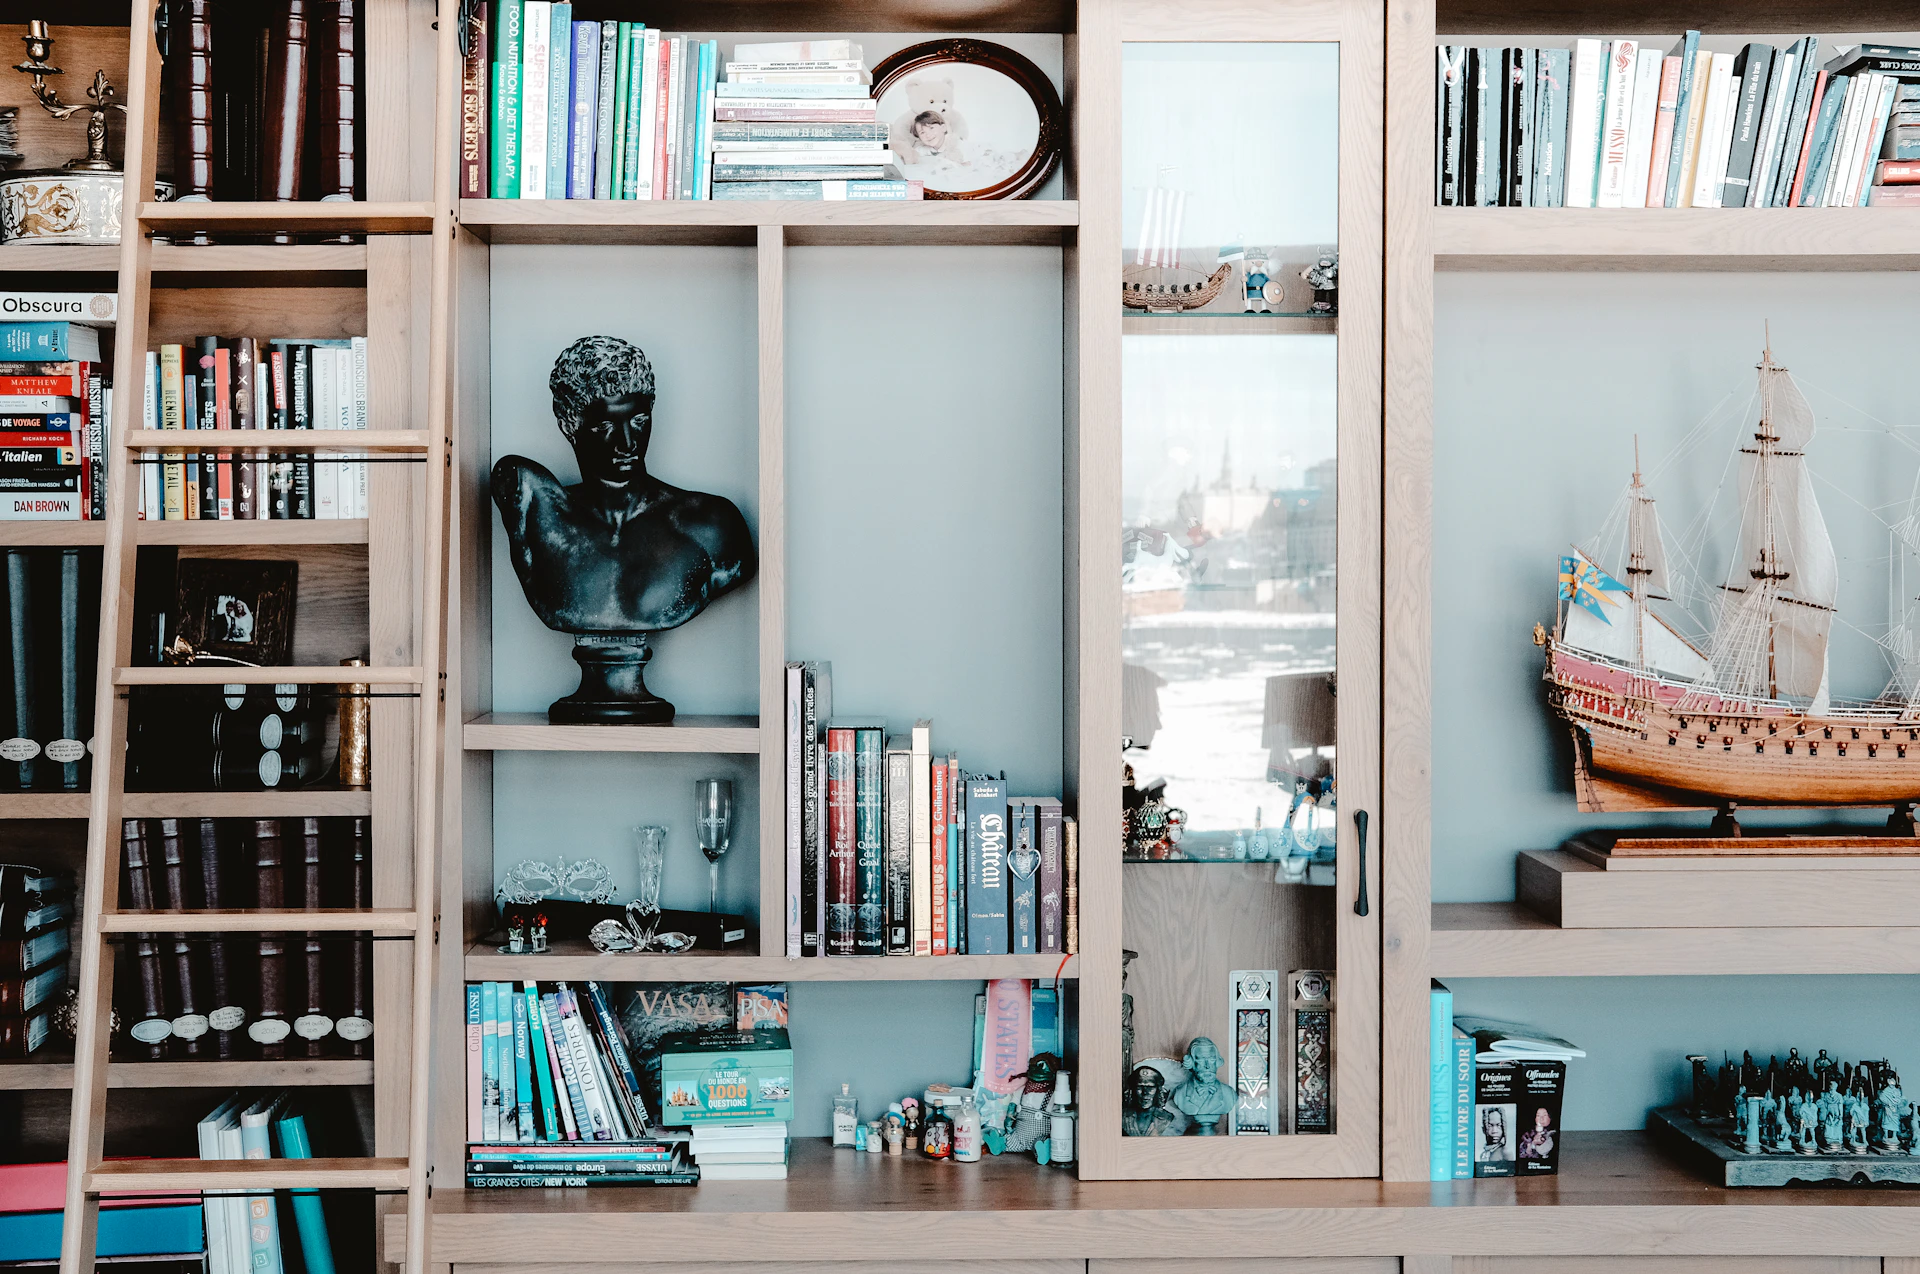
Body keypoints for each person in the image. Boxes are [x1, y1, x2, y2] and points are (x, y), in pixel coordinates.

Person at [492, 337, 757, 722]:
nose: (628, 443)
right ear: (571, 425)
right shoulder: (538, 510)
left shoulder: (711, 523)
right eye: (604, 426)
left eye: (639, 420)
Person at [1122, 1064, 1189, 1136]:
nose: (1145, 1092)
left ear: (1158, 1090)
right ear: (1133, 1090)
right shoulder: (1121, 1116)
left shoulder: (1167, 1118)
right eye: (1140, 1087)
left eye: (1150, 1087)